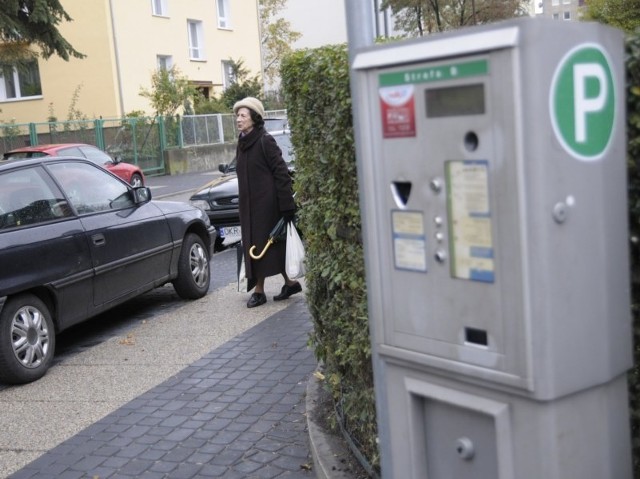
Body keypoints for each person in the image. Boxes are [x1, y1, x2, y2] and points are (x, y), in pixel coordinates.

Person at [233, 97, 302, 308]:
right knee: (270, 247)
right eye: (237, 115)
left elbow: (281, 173)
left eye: (243, 115)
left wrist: (286, 205)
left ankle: (259, 291)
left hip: (267, 205)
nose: (238, 119)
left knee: (262, 246)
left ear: (254, 118)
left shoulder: (265, 140)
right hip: (249, 207)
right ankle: (290, 283)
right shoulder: (242, 143)